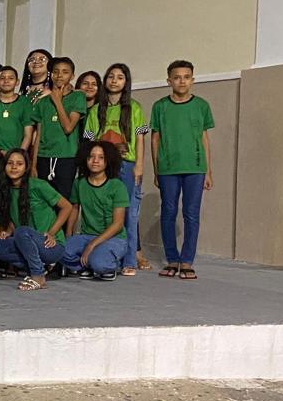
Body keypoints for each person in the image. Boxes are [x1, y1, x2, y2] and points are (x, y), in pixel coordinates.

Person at [150, 59, 214, 280]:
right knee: (168, 212)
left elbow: (204, 139)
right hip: (168, 168)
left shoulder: (201, 106)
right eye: (177, 77)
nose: (182, 81)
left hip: (195, 168)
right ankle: (172, 259)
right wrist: (156, 169)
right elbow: (155, 138)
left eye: (186, 77)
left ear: (193, 80)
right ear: (169, 80)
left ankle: (187, 261)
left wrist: (208, 171)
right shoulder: (160, 106)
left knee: (191, 214)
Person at [83, 62, 147, 275]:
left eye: (119, 77)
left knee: (129, 213)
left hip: (127, 165)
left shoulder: (134, 107)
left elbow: (139, 138)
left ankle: (129, 260)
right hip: (103, 167)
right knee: (107, 213)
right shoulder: (96, 110)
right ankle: (109, 255)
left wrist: (139, 165)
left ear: (126, 82)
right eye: (111, 76)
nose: (114, 80)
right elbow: (89, 140)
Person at [0, 149, 73, 291]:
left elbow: (67, 207)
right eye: (10, 163)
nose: (14, 167)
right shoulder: (5, 191)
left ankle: (38, 276)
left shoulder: (38, 185)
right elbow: (12, 221)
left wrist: (52, 233)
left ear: (26, 167)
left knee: (22, 232)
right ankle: (39, 266)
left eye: (19, 163)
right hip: (26, 242)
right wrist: (7, 231)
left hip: (50, 245)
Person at [64, 141, 129, 280]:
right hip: (87, 235)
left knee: (99, 263)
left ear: (108, 161)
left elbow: (118, 224)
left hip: (113, 238)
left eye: (101, 157)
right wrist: (68, 235)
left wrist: (92, 245)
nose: (95, 161)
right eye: (91, 157)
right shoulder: (79, 182)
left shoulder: (117, 186)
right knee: (60, 251)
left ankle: (108, 265)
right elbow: (74, 208)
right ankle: (87, 265)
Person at [32, 57, 87, 196]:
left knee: (64, 199)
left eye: (65, 72)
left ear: (72, 75)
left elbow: (68, 128)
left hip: (66, 157)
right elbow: (38, 134)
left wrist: (57, 101)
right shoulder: (42, 102)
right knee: (44, 200)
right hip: (44, 156)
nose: (59, 75)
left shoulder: (78, 97)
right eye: (55, 72)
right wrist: (33, 164)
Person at [0, 66, 35, 152]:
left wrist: (19, 154)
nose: (6, 81)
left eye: (11, 78)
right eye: (2, 78)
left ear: (17, 82)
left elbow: (28, 134)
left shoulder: (24, 102)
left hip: (18, 154)